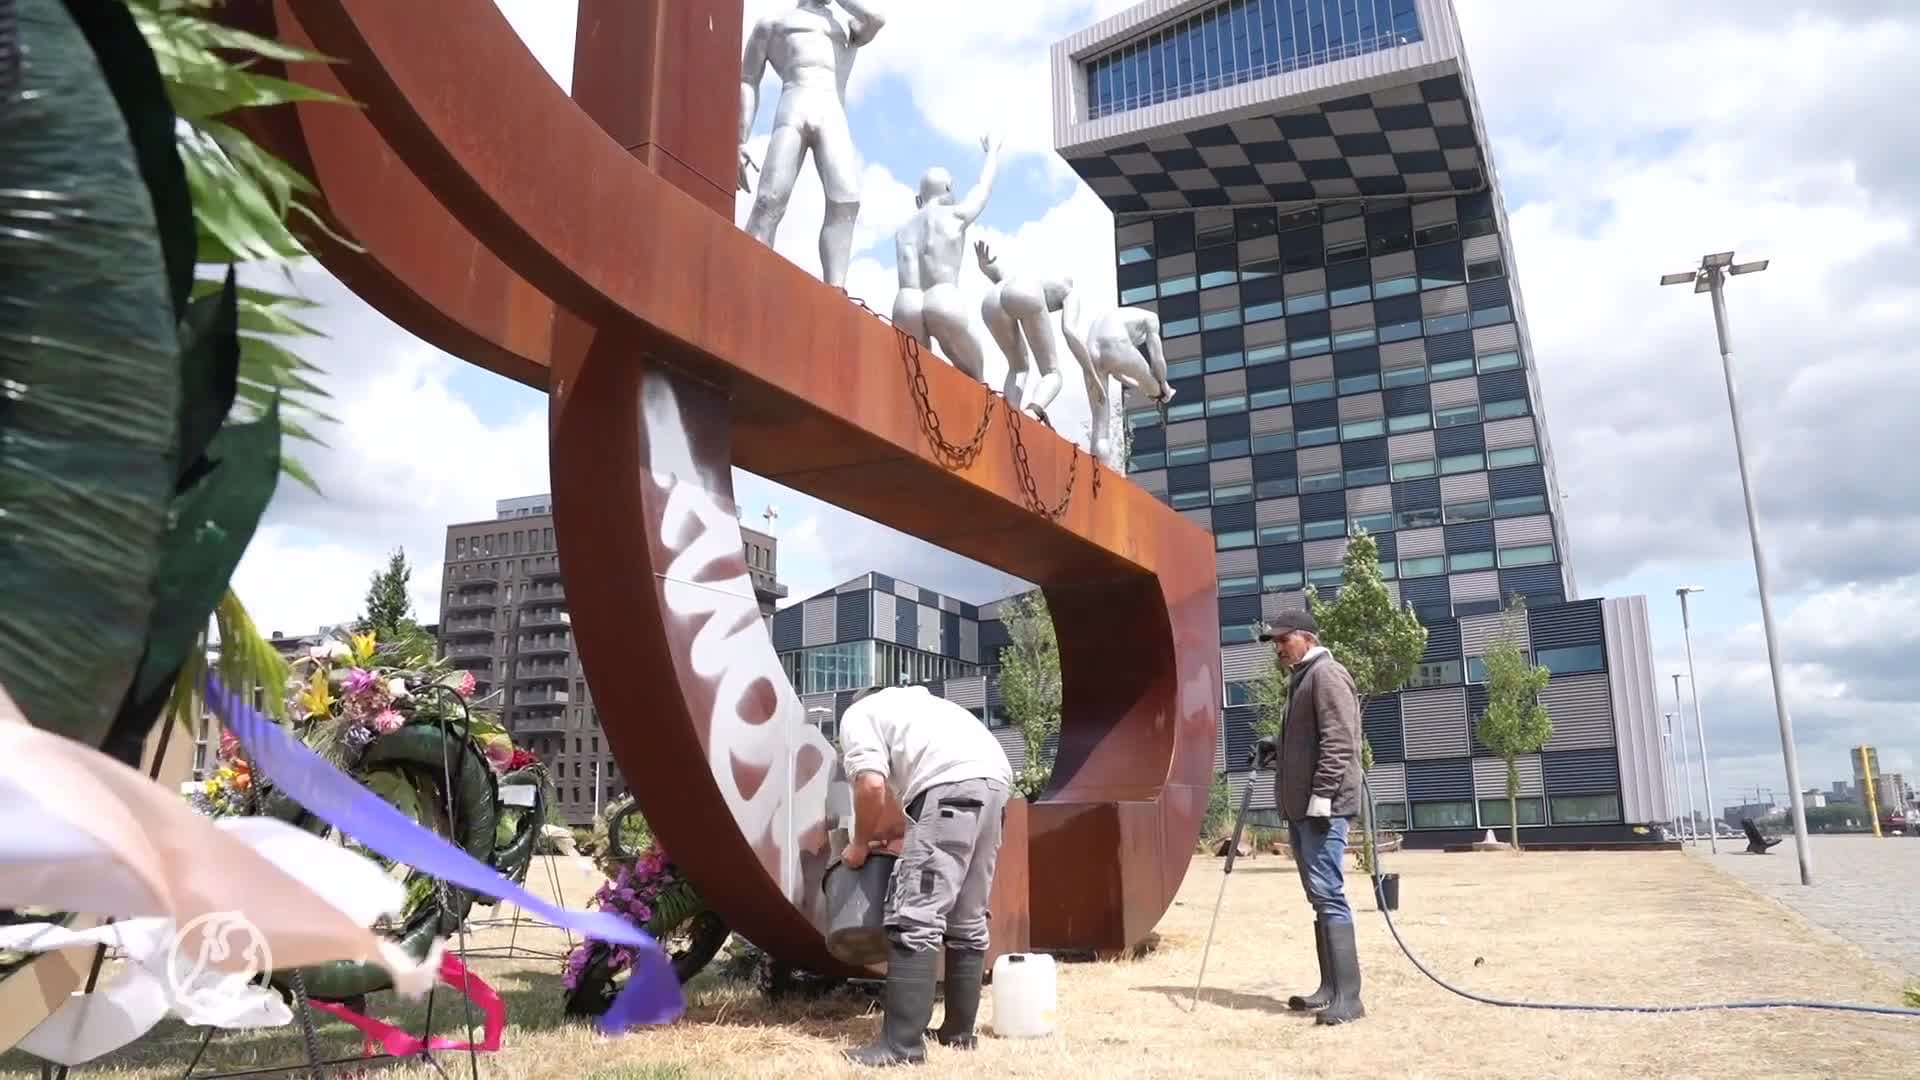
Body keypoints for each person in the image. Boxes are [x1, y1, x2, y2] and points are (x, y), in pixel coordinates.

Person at [836, 683, 1015, 1066]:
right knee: (967, 918)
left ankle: (901, 1047)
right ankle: (958, 1033)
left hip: (949, 786)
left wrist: (859, 844)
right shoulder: (923, 709)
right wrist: (894, 834)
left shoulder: (858, 714)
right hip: (994, 784)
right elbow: (901, 808)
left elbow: (870, 785)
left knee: (915, 915)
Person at [1253, 608, 1366, 1026]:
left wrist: (1322, 795)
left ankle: (1349, 998)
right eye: (1275, 642)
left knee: (1328, 893)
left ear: (1307, 638)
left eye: (1284, 640)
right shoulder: (1301, 679)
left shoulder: (1327, 675)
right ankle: (1329, 989)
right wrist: (1277, 745)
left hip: (1324, 807)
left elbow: (1339, 741)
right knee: (1319, 895)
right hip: (1303, 807)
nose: (1278, 648)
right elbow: (1311, 741)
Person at [738, 0, 887, 289]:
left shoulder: (849, 28)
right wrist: (740, 140)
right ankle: (747, 274)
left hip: (831, 111)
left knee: (846, 200)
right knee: (770, 198)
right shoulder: (774, 24)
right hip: (794, 104)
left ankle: (836, 289)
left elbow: (876, 19)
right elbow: (748, 80)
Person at [891, 134, 1003, 381]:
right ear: (949, 189)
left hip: (905, 302)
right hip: (942, 297)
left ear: (919, 198)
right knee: (975, 376)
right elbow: (983, 187)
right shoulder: (955, 215)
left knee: (917, 381)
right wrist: (993, 152)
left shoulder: (902, 231)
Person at [974, 239, 1071, 419]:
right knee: (1052, 372)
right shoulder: (1070, 289)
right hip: (1027, 294)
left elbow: (1005, 283)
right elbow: (1071, 331)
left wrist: (987, 267)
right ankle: (1033, 411)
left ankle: (1008, 415)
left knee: (1018, 366)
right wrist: (1091, 372)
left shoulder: (1030, 278)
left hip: (992, 299)